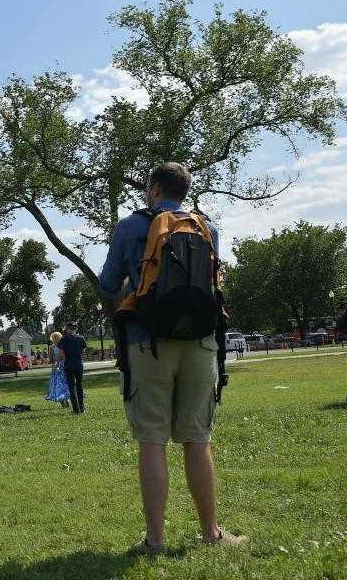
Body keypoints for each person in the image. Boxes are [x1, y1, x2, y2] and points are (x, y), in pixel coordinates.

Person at [99, 162, 245, 554]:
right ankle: (211, 534)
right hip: (200, 344)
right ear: (184, 191)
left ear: (154, 188)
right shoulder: (205, 227)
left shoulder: (131, 226)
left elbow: (108, 283)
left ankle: (156, 540)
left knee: (152, 441)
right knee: (198, 440)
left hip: (148, 343)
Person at [56, 322, 87, 414]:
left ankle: (76, 410)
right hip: (79, 364)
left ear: (69, 328)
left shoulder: (64, 339)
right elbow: (83, 350)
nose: (65, 330)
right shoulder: (81, 338)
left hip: (69, 364)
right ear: (75, 328)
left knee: (72, 387)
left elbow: (60, 354)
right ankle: (81, 408)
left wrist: (57, 363)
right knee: (79, 386)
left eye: (66, 328)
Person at [44, 331, 70, 409]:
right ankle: (67, 398)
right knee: (65, 383)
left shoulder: (52, 348)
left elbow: (50, 360)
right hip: (65, 365)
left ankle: (61, 400)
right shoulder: (65, 345)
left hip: (56, 366)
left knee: (57, 384)